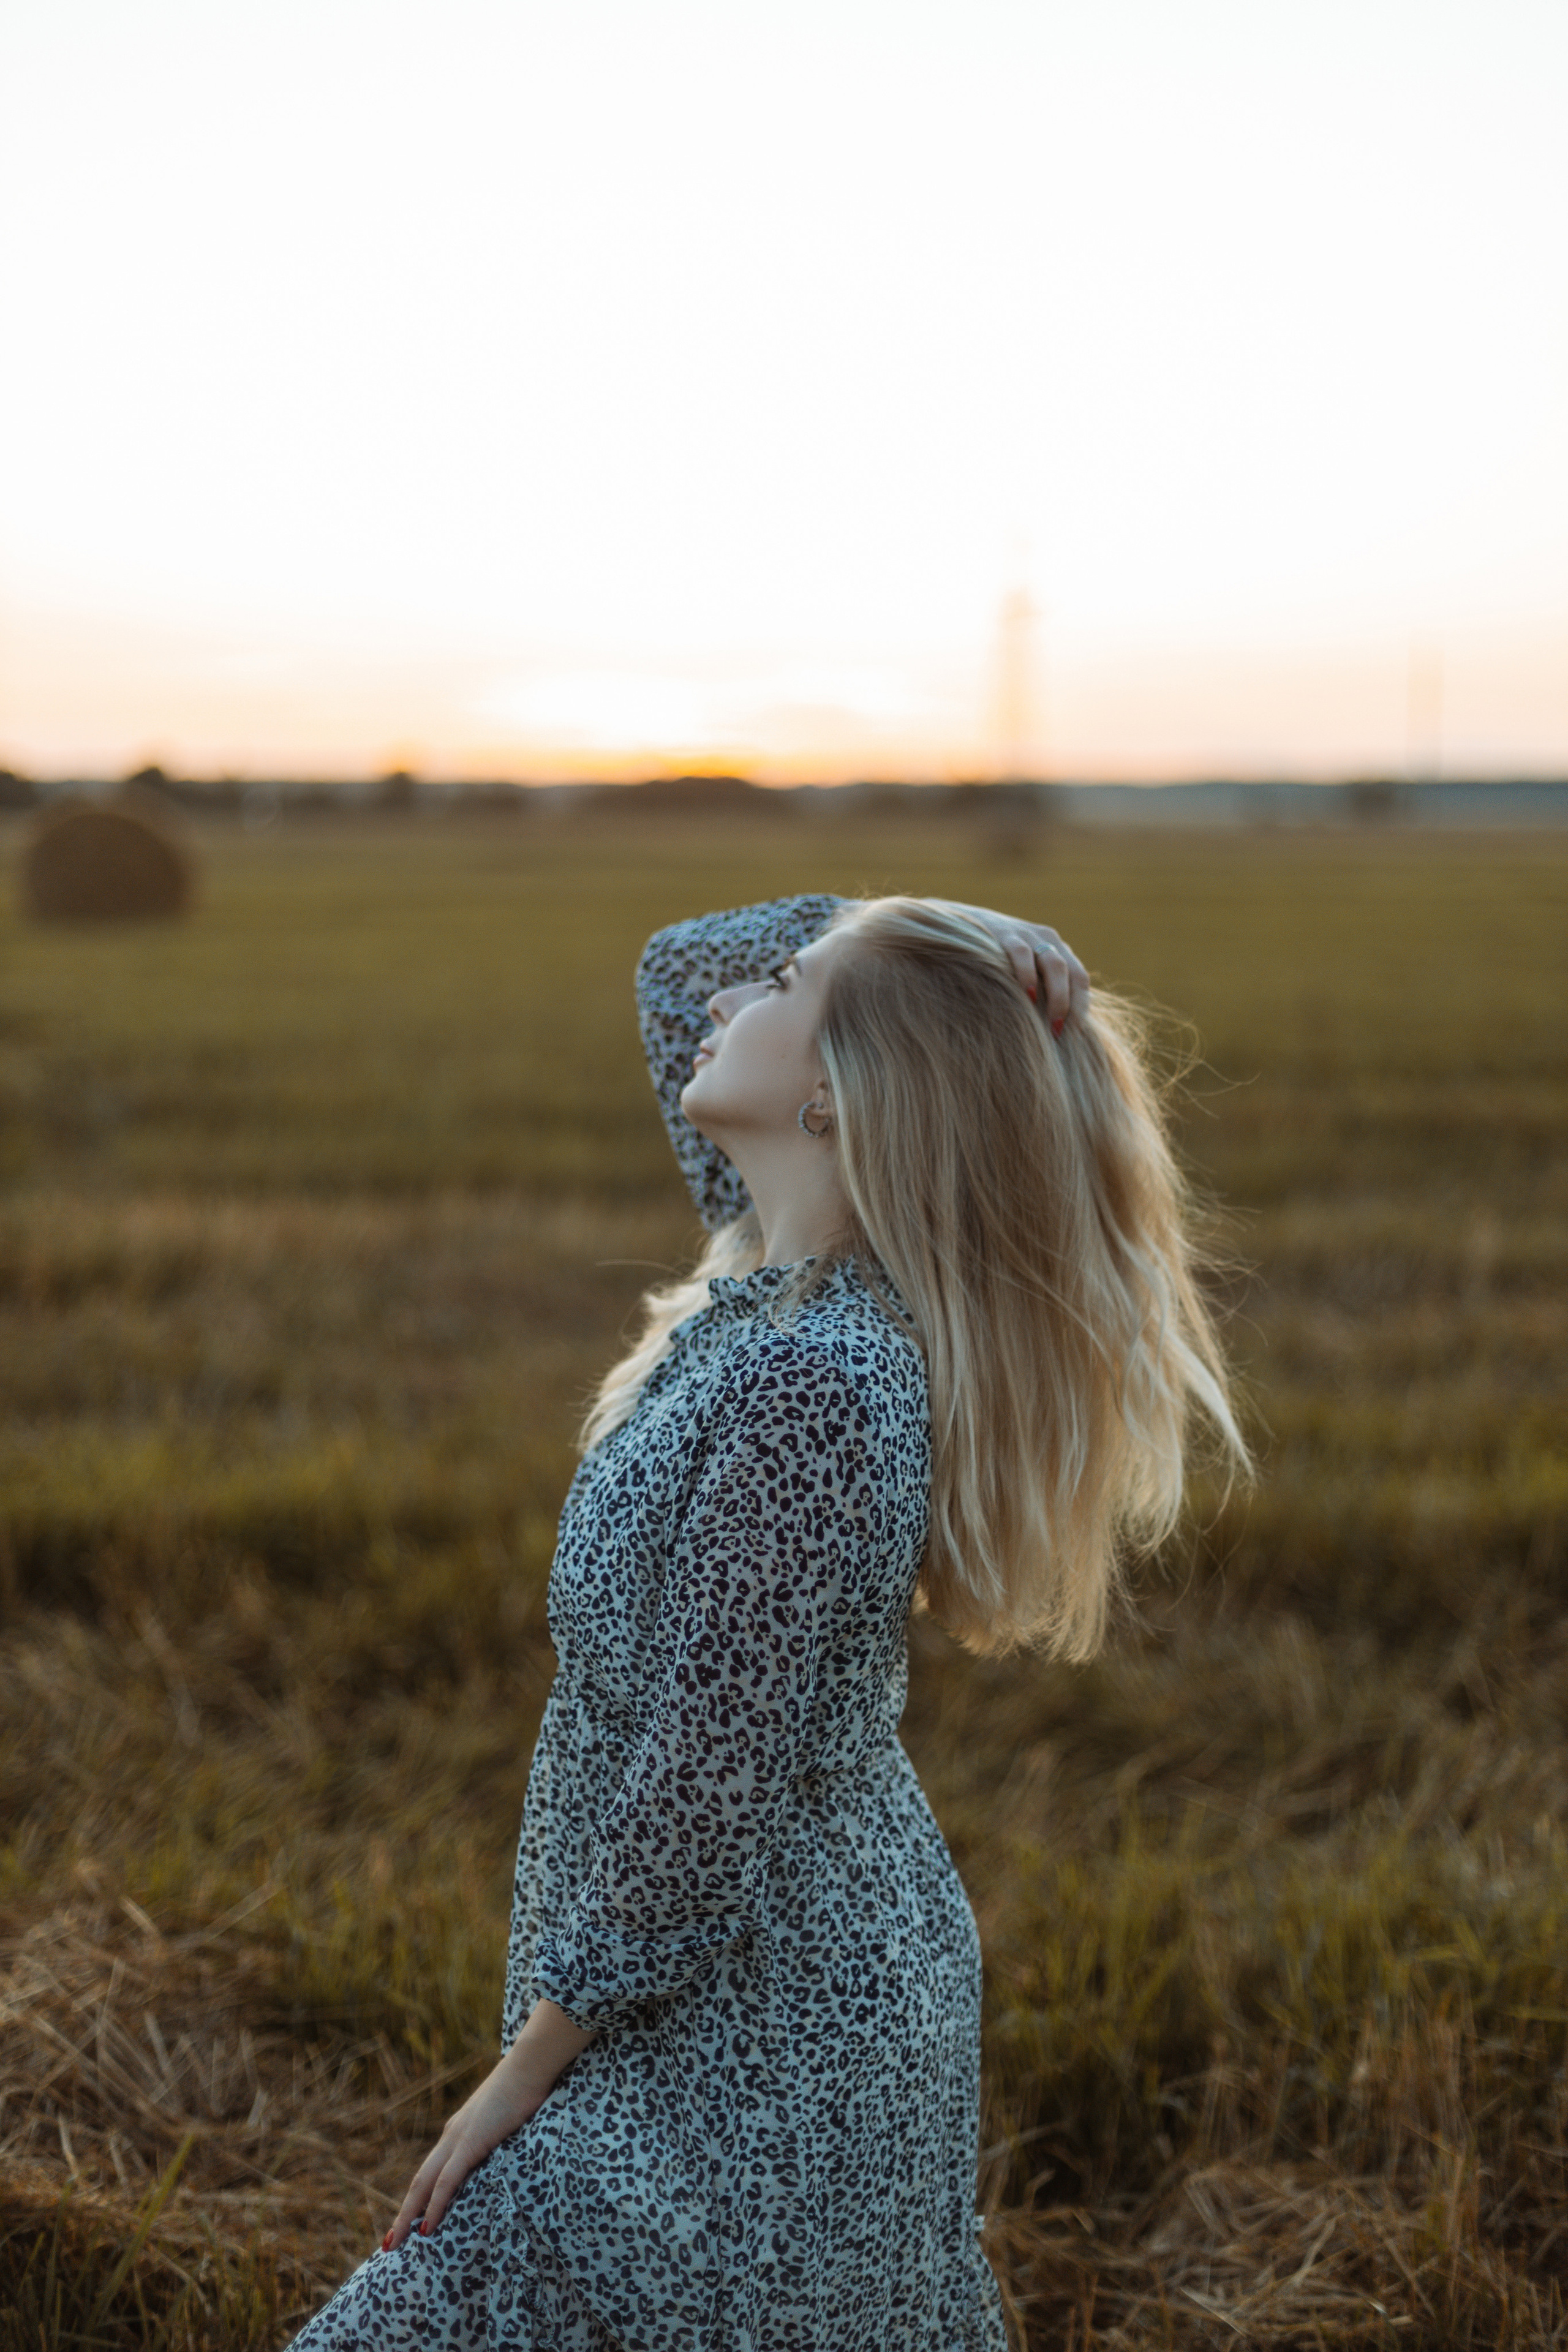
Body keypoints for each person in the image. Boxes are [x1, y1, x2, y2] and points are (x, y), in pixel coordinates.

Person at [290, 892, 1249, 2352]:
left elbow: (702, 1785)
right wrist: (967, 935)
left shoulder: (809, 1382)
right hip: (747, 1964)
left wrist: (523, 2076)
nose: (731, 997)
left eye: (784, 982)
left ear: (833, 1092)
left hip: (773, 1998)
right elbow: (674, 968)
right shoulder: (771, 1283)